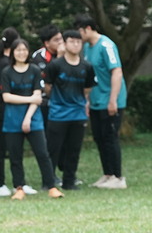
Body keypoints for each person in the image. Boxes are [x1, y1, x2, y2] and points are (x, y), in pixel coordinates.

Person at [0, 37, 64, 200]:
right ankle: (19, 187)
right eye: (18, 50)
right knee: (15, 156)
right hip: (12, 120)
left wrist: (28, 118)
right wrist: (29, 99)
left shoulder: (34, 70)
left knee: (42, 153)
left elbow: (38, 96)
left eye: (24, 50)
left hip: (33, 119)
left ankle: (51, 187)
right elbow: (6, 97)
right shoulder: (6, 72)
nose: (21, 53)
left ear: (28, 52)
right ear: (13, 53)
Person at [75, 13, 128, 190]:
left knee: (110, 137)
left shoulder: (107, 45)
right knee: (99, 137)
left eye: (80, 32)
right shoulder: (87, 48)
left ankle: (118, 177)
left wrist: (113, 100)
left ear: (88, 29)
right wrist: (87, 100)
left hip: (110, 99)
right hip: (96, 100)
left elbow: (117, 72)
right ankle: (108, 174)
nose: (78, 37)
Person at [43, 29, 95, 191]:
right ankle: (49, 182)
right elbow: (48, 87)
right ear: (64, 44)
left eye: (78, 42)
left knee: (74, 150)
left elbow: (87, 88)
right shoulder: (55, 65)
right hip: (58, 113)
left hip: (78, 113)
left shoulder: (87, 66)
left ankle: (69, 181)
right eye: (72, 41)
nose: (76, 45)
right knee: (53, 149)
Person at [0, 27, 19, 197]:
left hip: (9, 109)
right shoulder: (4, 64)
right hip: (0, 111)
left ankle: (18, 182)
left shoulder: (7, 61)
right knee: (0, 148)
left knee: (13, 146)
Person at [31, 24, 64, 122]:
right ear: (47, 43)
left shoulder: (69, 53)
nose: (60, 42)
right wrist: (59, 58)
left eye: (61, 38)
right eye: (56, 40)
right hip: (45, 100)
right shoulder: (38, 57)